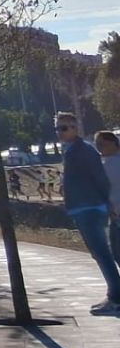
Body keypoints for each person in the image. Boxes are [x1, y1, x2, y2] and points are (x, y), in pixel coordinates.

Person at [55, 113, 120, 316]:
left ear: (76, 128)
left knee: (102, 253)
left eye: (65, 127)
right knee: (99, 253)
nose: (61, 132)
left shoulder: (84, 150)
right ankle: (114, 295)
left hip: (90, 207)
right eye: (58, 128)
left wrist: (106, 202)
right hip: (82, 207)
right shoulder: (72, 150)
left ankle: (116, 298)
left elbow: (100, 178)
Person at [96, 129, 120, 268]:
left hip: (116, 214)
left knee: (116, 252)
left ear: (114, 143)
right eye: (97, 144)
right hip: (114, 214)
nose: (99, 148)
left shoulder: (111, 163)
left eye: (102, 144)